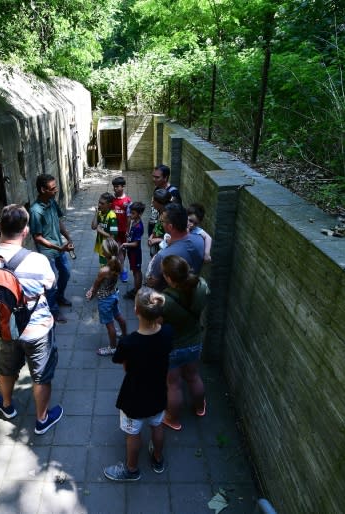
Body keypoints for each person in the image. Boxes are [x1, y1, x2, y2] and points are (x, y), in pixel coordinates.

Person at [0, 204, 64, 435]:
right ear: (25, 231)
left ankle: (6, 406)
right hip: (36, 329)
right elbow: (50, 285)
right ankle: (42, 419)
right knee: (41, 376)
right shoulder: (37, 260)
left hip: (2, 326)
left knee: (4, 369)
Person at [103, 287, 172, 481]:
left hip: (135, 397)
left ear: (136, 311)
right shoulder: (168, 332)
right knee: (157, 425)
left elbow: (119, 361)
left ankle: (131, 470)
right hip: (159, 392)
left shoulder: (129, 343)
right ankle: (158, 459)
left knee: (133, 434)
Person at [159, 255, 209, 431]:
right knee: (193, 376)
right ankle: (200, 407)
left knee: (173, 384)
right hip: (195, 341)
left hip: (174, 346)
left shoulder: (165, 300)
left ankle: (172, 418)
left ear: (170, 278)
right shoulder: (201, 285)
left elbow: (158, 323)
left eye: (164, 274)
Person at [30, 174, 74, 323]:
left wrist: (68, 237)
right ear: (43, 190)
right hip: (47, 253)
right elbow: (37, 237)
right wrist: (59, 247)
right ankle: (53, 312)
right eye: (52, 188)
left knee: (66, 273)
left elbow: (58, 221)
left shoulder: (52, 202)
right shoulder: (35, 211)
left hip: (59, 248)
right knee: (51, 282)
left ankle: (60, 297)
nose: (56, 190)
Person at [146, 203, 204, 291]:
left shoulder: (163, 256)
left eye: (162, 221)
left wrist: (151, 267)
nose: (162, 223)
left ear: (170, 227)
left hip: (167, 299)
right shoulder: (200, 240)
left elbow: (151, 282)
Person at [86, 239, 128, 356]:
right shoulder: (118, 263)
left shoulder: (103, 270)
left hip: (105, 300)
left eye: (102, 249)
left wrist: (91, 293)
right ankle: (125, 335)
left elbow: (96, 285)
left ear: (105, 253)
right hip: (114, 295)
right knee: (119, 316)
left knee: (110, 325)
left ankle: (113, 348)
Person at [147, 164, 181, 254]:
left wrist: (159, 238)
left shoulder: (173, 193)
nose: (154, 179)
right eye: (153, 176)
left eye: (157, 177)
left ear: (165, 178)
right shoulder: (157, 188)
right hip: (156, 229)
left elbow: (175, 220)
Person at [121, 202, 145, 300]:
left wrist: (125, 244)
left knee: (136, 272)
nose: (130, 215)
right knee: (134, 271)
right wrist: (128, 236)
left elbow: (136, 243)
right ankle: (136, 289)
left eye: (133, 213)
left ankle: (136, 291)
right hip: (131, 252)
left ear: (139, 214)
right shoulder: (133, 222)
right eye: (130, 212)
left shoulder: (139, 226)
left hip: (135, 253)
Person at [111, 176, 132, 282]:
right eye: (114, 187)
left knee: (121, 251)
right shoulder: (111, 200)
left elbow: (129, 218)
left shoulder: (127, 201)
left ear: (123, 187)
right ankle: (119, 269)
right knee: (115, 250)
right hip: (113, 231)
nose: (115, 189)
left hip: (123, 231)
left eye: (117, 187)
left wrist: (128, 230)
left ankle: (122, 270)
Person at [91, 192, 119, 265]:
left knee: (108, 268)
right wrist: (96, 213)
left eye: (102, 203)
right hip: (101, 247)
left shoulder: (112, 217)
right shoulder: (100, 213)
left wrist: (100, 231)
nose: (99, 205)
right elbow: (93, 227)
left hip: (108, 248)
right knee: (103, 266)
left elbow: (113, 237)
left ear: (109, 205)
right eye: (99, 202)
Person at [147, 188, 172, 257]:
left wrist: (159, 240)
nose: (152, 202)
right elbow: (158, 226)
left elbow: (174, 238)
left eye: (154, 201)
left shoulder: (169, 217)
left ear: (160, 204)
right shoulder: (160, 211)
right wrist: (152, 235)